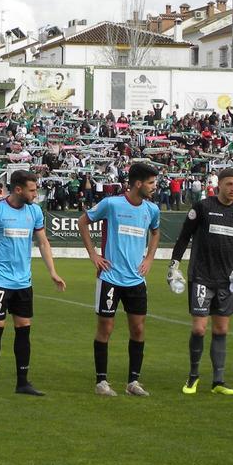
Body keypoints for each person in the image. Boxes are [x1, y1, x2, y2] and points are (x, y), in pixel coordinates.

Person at [0, 170, 65, 397]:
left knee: (24, 330)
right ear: (18, 189)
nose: (36, 194)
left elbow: (43, 243)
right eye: (32, 190)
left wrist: (52, 271)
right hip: (0, 281)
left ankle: (22, 382)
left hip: (24, 282)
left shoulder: (35, 212)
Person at [167, 167, 233, 395]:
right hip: (201, 277)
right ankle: (193, 377)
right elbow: (184, 236)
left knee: (222, 329)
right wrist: (174, 264)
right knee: (199, 329)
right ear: (219, 185)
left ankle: (218, 382)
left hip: (226, 281)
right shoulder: (203, 207)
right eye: (229, 184)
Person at [79, 162, 161, 396]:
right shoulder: (112, 204)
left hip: (136, 280)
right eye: (151, 183)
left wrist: (149, 258)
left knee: (138, 329)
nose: (154, 187)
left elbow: (155, 232)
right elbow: (83, 222)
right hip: (110, 278)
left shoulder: (151, 210)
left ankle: (133, 382)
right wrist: (93, 254)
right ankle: (101, 382)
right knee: (106, 328)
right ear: (138, 183)